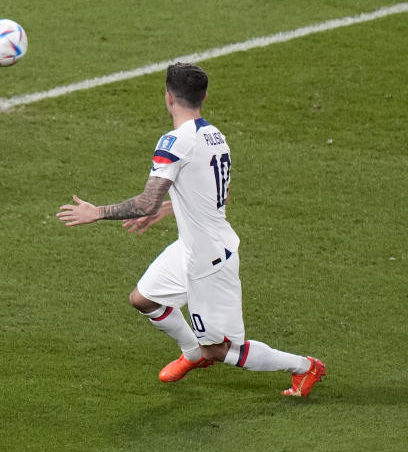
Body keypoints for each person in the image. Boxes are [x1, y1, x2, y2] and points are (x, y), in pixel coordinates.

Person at [56, 62, 325, 397]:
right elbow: (218, 194)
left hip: (209, 259)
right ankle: (192, 353)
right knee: (144, 299)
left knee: (220, 349)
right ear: (204, 97)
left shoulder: (173, 142)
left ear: (168, 98)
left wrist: (97, 212)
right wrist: (171, 207)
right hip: (193, 245)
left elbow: (144, 204)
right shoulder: (215, 137)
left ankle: (305, 367)